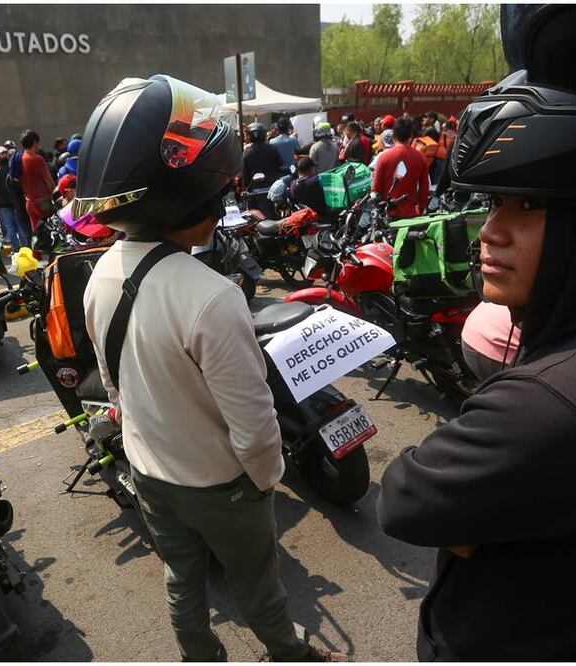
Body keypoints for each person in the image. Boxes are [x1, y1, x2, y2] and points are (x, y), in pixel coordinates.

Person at [377, 4, 576, 660]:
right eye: (494, 203)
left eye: (530, 204)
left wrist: (485, 516)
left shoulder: (548, 406)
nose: (490, 230)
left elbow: (404, 496)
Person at [75, 74, 335, 663]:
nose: (221, 206)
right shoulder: (213, 297)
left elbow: (114, 382)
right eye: (215, 192)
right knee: (257, 585)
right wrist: (265, 480)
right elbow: (255, 423)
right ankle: (289, 654)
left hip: (148, 471)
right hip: (220, 486)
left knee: (182, 578)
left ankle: (199, 655)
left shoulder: (100, 273)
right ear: (192, 198)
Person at [371, 117, 429, 218]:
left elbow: (375, 189)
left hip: (388, 214)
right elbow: (424, 189)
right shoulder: (421, 157)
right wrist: (420, 209)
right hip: (411, 214)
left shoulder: (384, 157)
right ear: (410, 136)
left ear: (393, 135)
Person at [241, 122, 282, 219]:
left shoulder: (247, 152)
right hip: (274, 188)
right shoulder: (272, 148)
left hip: (257, 190)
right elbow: (280, 164)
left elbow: (245, 175)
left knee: (257, 219)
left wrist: (246, 188)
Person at [0, 145, 26, 248]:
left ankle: (16, 248)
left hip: (2, 205)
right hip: (16, 202)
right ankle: (26, 247)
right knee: (20, 226)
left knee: (10, 228)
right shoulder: (14, 169)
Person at [18, 130, 56, 230]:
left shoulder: (20, 159)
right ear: (35, 142)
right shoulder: (37, 159)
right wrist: (56, 194)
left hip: (29, 202)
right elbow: (49, 181)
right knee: (52, 230)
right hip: (43, 203)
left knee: (37, 232)